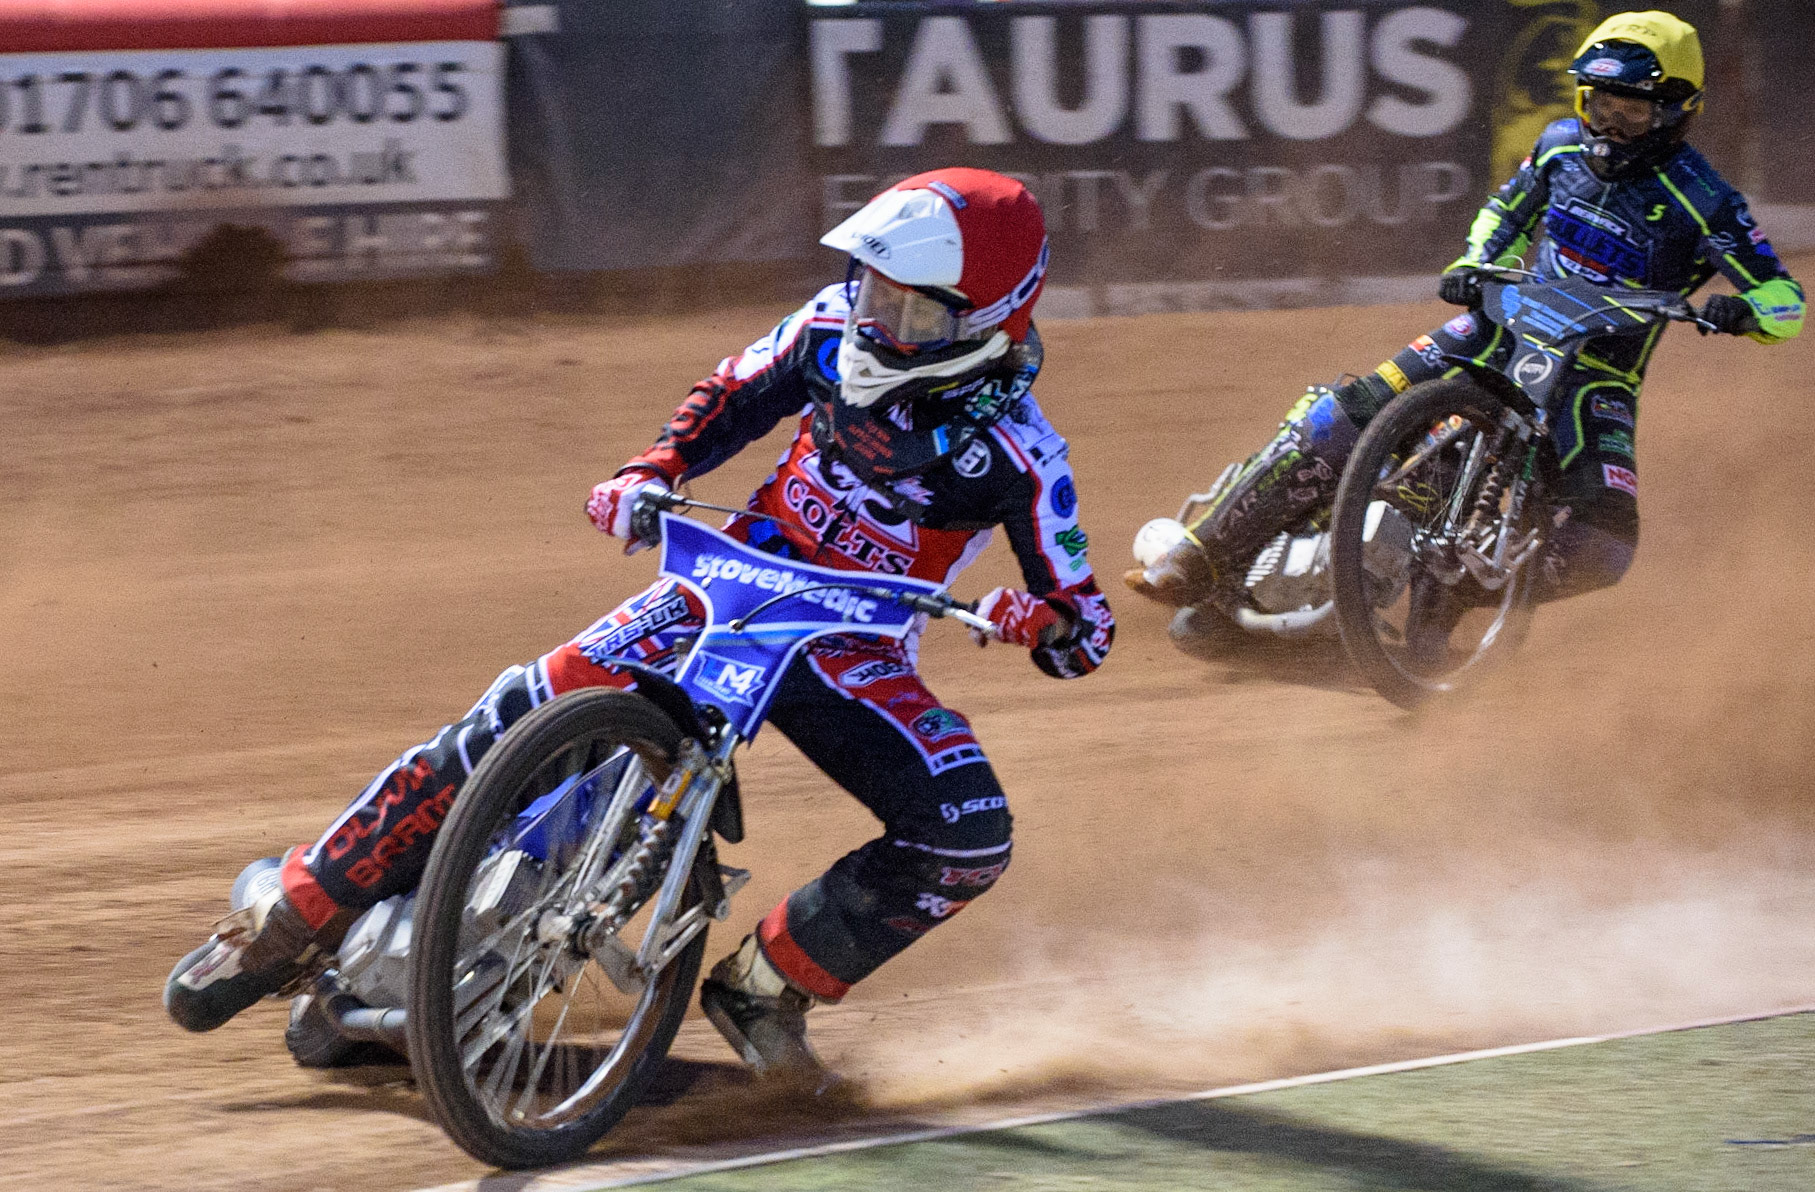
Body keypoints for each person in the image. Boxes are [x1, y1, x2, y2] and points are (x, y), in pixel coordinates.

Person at [164, 167, 1114, 1078]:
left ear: (985, 321)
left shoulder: (1022, 455)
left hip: (848, 645)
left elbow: (1088, 628)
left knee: (966, 833)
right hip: (724, 582)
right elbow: (730, 395)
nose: (876, 319)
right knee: (514, 712)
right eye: (871, 288)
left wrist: (1039, 622)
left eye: (910, 311)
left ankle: (766, 987)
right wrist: (650, 470)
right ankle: (293, 914)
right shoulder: (828, 327)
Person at [1129, 10, 1804, 615]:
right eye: (1599, 105)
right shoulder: (1559, 146)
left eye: (1630, 112)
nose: (1609, 127)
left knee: (1604, 547)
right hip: (1500, 326)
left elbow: (1785, 300)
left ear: (1677, 112)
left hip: (1597, 377)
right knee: (1345, 411)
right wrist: (1475, 261)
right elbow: (1504, 212)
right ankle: (1199, 555)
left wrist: (1745, 312)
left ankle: (1463, 596)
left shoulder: (1705, 199)